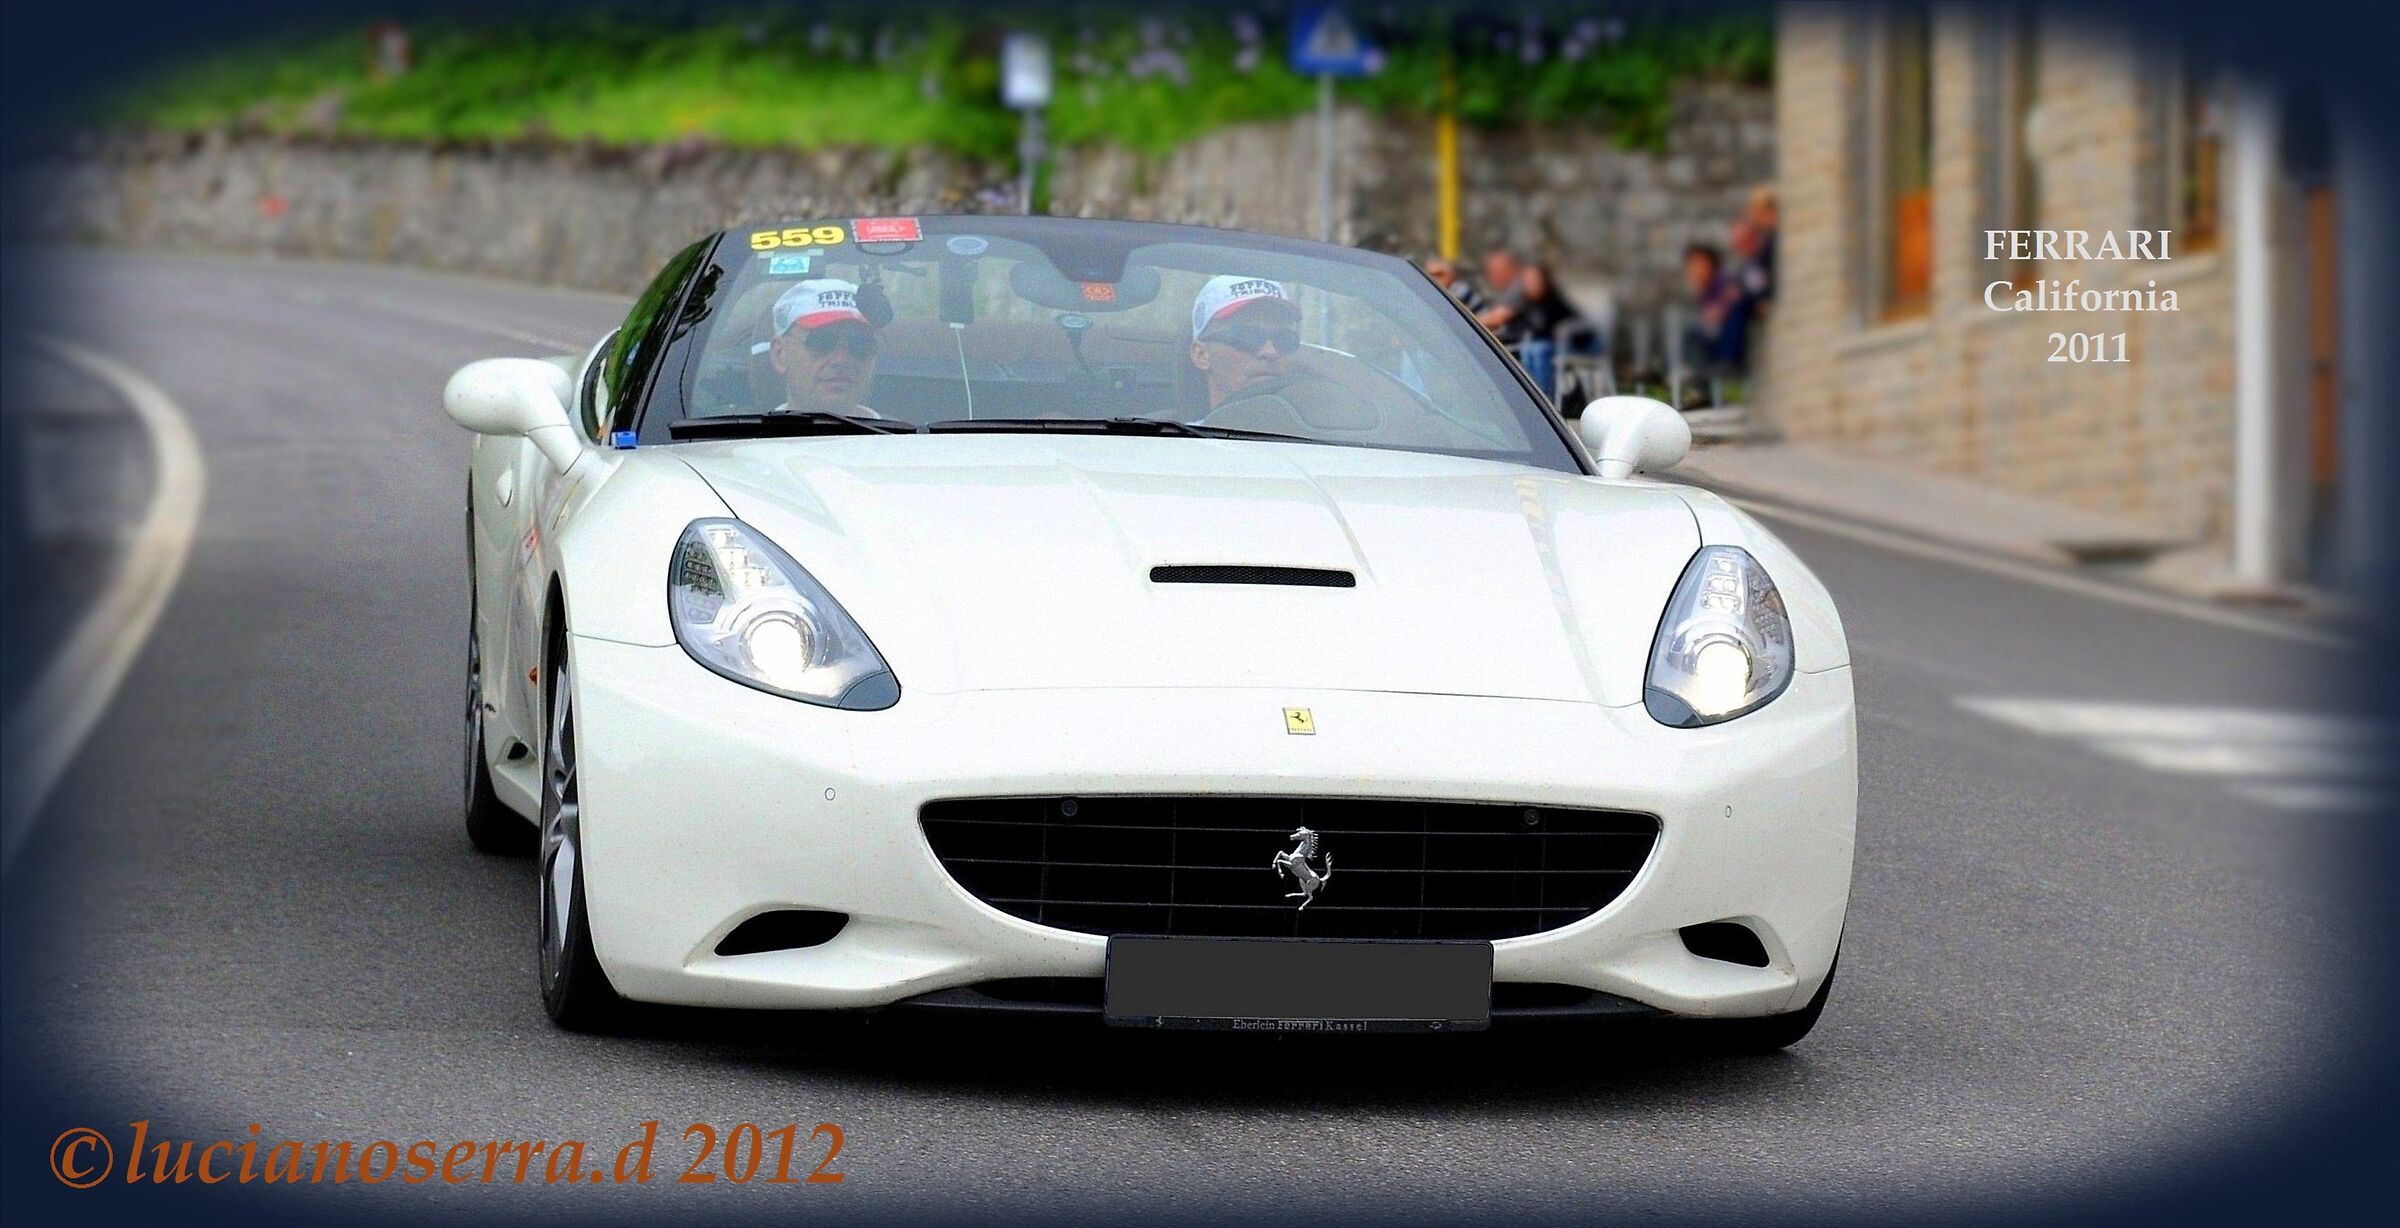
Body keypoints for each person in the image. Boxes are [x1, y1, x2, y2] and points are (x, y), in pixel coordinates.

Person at [766, 278, 885, 417]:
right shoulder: (748, 437)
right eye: (821, 342)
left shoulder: (905, 437)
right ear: (780, 354)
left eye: (861, 345)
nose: (842, 360)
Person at [1188, 274, 1301, 412]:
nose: (1270, 351)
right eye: (1247, 336)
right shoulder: (1175, 433)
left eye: (1284, 339)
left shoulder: (1317, 431)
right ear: (1202, 355)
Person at [1681, 242, 1751, 376]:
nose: (1695, 269)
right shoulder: (1704, 288)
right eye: (1692, 265)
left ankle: (1722, 364)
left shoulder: (1722, 279)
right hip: (1715, 337)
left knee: (1692, 334)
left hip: (1728, 340)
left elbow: (1735, 295)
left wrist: (1720, 308)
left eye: (1699, 263)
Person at [1475, 248, 1527, 342]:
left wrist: (1464, 324)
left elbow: (1495, 318)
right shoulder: (1508, 291)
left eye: (1494, 272)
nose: (1493, 278)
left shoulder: (1519, 286)